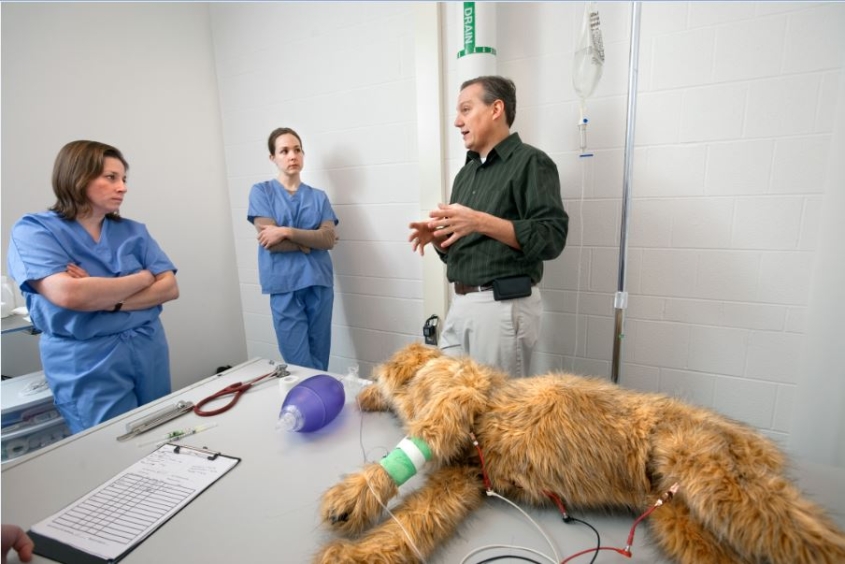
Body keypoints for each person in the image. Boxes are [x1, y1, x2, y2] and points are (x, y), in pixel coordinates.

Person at [7, 140, 179, 433]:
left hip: (148, 347)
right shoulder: (35, 230)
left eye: (124, 179)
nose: (122, 187)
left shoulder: (132, 231)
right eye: (111, 178)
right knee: (109, 445)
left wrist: (109, 298)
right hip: (86, 359)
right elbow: (69, 294)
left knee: (159, 433)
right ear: (78, 176)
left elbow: (170, 288)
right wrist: (143, 278)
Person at [409, 76, 568, 377]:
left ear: (496, 109)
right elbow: (461, 250)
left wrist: (479, 221)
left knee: (496, 410)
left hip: (502, 307)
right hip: (461, 304)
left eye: (466, 109)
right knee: (450, 397)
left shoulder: (532, 163)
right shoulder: (466, 174)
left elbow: (552, 238)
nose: (457, 122)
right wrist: (437, 239)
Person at [248, 128, 338, 371]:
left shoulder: (318, 197)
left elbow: (328, 239)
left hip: (318, 283)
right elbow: (271, 242)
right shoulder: (261, 192)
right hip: (284, 285)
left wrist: (286, 232)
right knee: (298, 363)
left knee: (320, 359)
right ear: (273, 158)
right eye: (284, 151)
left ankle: (320, 407)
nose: (292, 156)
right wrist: (310, 241)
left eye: (297, 150)